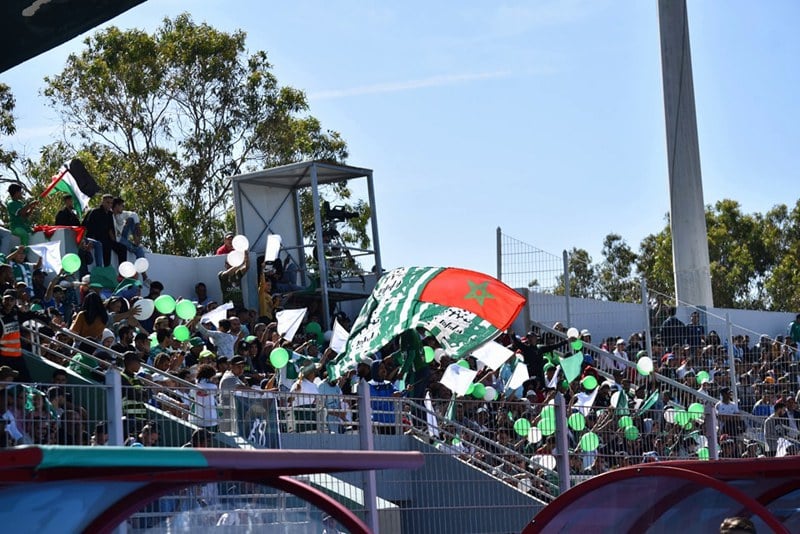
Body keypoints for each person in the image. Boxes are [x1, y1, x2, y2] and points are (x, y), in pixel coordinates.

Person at [0, 289, 51, 381]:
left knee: (26, 380)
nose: (8, 302)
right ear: (2, 299)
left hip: (17, 355)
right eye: (6, 299)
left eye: (11, 300)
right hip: (4, 357)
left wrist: (49, 322)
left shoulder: (15, 312)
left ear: (15, 301)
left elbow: (31, 314)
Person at [81, 193, 126, 267]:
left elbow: (110, 229)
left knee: (122, 248)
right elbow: (87, 227)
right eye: (108, 202)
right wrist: (89, 241)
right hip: (96, 238)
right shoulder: (95, 212)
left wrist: (115, 241)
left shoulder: (110, 214)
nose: (110, 205)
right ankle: (106, 267)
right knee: (106, 246)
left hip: (107, 239)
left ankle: (122, 270)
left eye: (111, 203)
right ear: (102, 202)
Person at [111, 197, 146, 261]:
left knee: (131, 219)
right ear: (117, 206)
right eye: (122, 206)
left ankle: (136, 241)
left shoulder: (121, 214)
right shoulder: (110, 215)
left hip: (122, 236)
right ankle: (141, 265)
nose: (123, 208)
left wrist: (137, 225)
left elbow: (133, 214)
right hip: (117, 239)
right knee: (138, 249)